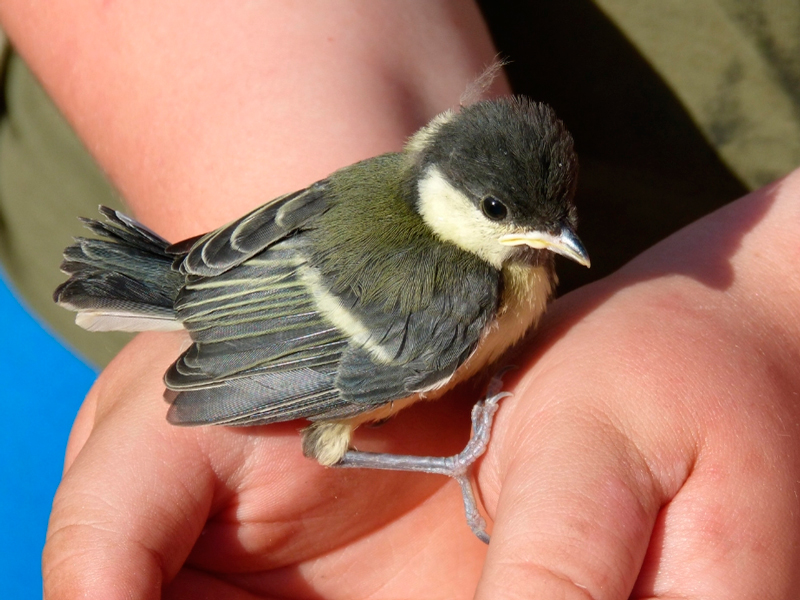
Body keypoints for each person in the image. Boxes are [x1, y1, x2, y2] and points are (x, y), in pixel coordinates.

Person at [1, 2, 799, 598]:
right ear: (446, 186)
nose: (546, 242)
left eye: (555, 223)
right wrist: (455, 458)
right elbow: (324, 408)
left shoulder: (413, 196)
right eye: (504, 218)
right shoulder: (462, 291)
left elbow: (298, 223)